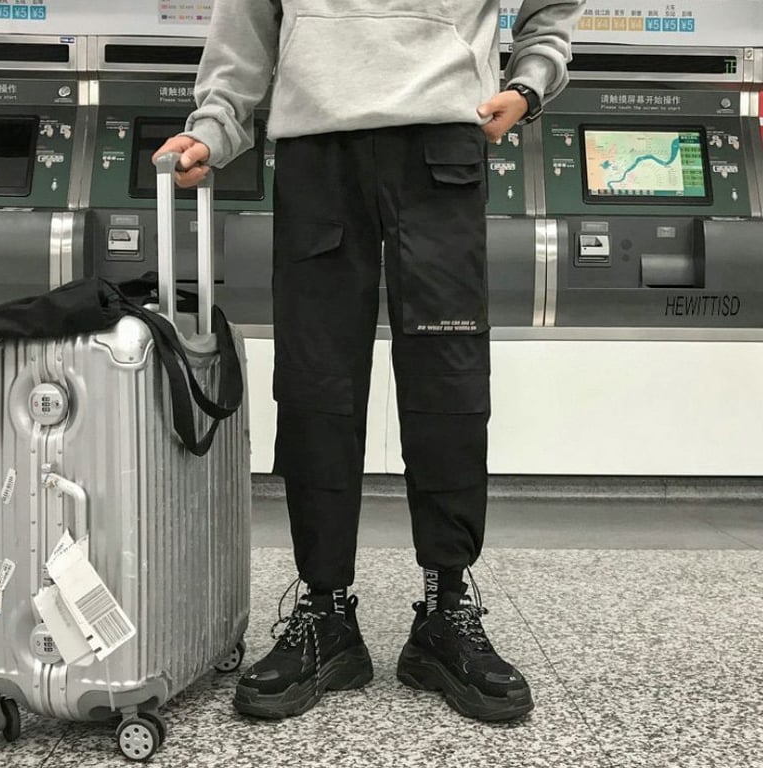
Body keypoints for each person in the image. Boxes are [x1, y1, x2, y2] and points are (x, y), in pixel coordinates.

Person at [154, 0, 585, 722]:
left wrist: (529, 82)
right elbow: (246, 25)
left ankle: (446, 608)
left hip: (443, 142)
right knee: (315, 379)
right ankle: (324, 612)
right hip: (318, 147)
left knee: (448, 380)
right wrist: (214, 127)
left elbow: (553, 9)